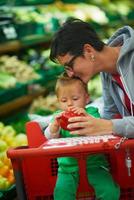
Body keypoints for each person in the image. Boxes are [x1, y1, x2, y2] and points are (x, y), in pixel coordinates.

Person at [49, 18, 134, 138]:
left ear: (88, 51)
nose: (70, 74)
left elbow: (109, 123)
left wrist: (108, 126)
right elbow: (111, 114)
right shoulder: (106, 72)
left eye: (69, 66)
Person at [44, 73, 120, 200]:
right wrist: (54, 128)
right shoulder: (57, 117)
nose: (69, 104)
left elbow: (102, 130)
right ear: (58, 101)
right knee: (61, 194)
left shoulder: (91, 112)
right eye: (64, 100)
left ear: (86, 98)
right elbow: (49, 138)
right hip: (67, 168)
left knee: (109, 191)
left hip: (95, 165)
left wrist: (87, 118)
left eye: (75, 99)